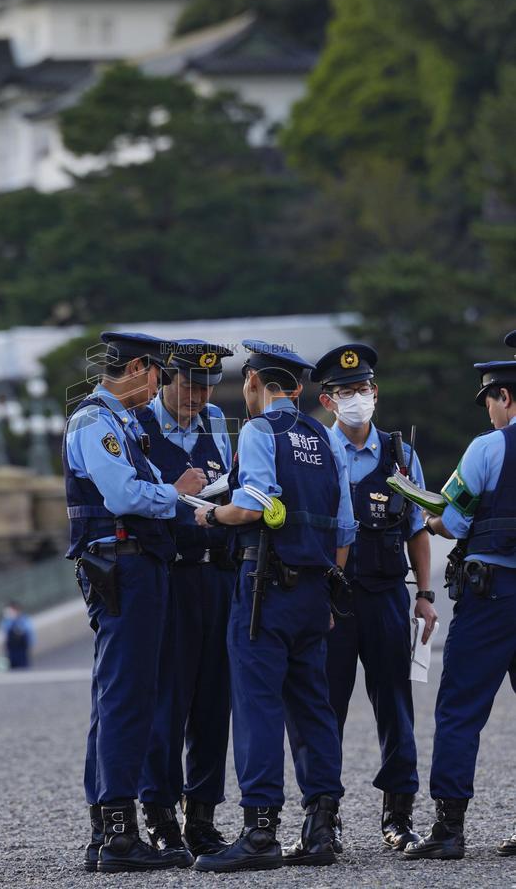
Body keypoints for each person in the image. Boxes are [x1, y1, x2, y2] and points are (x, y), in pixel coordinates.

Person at [191, 340, 357, 872]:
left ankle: (260, 831)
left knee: (258, 706)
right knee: (312, 706)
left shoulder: (261, 431)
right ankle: (321, 826)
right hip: (314, 590)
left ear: (255, 382)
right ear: (299, 387)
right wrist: (328, 585)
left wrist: (211, 515)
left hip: (265, 588)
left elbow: (252, 504)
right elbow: (345, 527)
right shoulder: (324, 438)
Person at [63, 331, 207, 874]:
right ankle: (120, 834)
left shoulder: (116, 421)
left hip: (127, 564)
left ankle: (106, 828)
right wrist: (177, 491)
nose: (160, 387)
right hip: (125, 566)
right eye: (159, 375)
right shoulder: (97, 421)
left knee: (114, 696)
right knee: (128, 696)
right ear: (141, 368)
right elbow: (122, 495)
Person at [311, 343, 437, 850]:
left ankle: (398, 814)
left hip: (386, 595)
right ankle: (324, 815)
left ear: (376, 393)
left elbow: (417, 529)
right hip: (332, 600)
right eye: (345, 392)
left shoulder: (401, 455)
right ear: (328, 400)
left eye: (362, 388)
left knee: (395, 705)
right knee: (326, 707)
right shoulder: (314, 451)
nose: (356, 398)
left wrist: (424, 594)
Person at [404, 339, 516, 861]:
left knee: (461, 709)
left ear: (504, 396)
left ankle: (449, 829)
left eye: (490, 401)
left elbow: (452, 519)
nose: (490, 413)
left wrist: (428, 520)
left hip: (493, 595)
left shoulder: (488, 447)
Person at [137, 341, 234, 859]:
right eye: (190, 385)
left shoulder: (215, 421)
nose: (199, 396)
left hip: (217, 575)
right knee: (166, 702)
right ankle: (159, 814)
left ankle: (202, 816)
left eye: (207, 387)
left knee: (215, 701)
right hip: (169, 575)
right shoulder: (139, 426)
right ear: (165, 379)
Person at [1, 601, 34, 669]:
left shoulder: (24, 620)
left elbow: (29, 635)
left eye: (10, 611)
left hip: (22, 651)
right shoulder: (6, 622)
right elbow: (5, 636)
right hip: (11, 651)